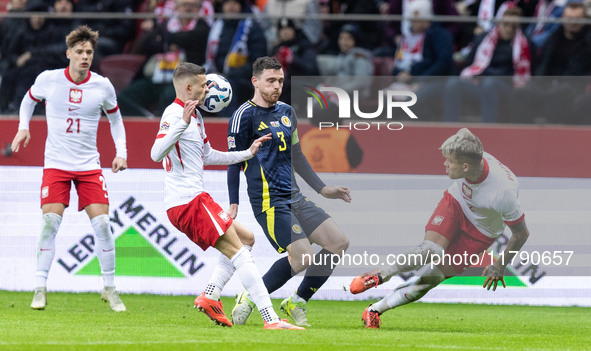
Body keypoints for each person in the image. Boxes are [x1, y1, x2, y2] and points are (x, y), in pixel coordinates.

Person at [150, 62, 303, 330]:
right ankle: (271, 319)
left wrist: (248, 152)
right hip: (188, 201)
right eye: (202, 84)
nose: (207, 88)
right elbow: (155, 153)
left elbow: (208, 155)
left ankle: (210, 295)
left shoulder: (194, 116)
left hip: (194, 199)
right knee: (240, 254)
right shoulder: (175, 114)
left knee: (247, 238)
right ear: (188, 88)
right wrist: (180, 124)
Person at [349, 128, 531, 329]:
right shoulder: (470, 150)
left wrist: (500, 265)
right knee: (431, 250)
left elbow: (521, 234)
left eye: (449, 161)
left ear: (465, 166)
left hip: (482, 232)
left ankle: (374, 310)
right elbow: (465, 131)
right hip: (456, 204)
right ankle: (378, 275)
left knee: (429, 280)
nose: (445, 164)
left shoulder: (503, 193)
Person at [10, 25, 128, 312]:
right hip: (57, 165)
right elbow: (28, 100)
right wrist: (23, 127)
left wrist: (121, 152)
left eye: (89, 52)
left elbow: (115, 119)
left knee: (102, 225)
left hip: (89, 166)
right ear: (68, 54)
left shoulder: (102, 85)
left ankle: (110, 288)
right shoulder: (49, 80)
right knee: (50, 223)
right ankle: (39, 288)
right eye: (79, 52)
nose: (85, 56)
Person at [227, 56, 351, 326]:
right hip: (269, 201)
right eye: (271, 81)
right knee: (303, 256)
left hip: (295, 196)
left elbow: (298, 155)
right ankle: (250, 298)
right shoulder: (243, 116)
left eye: (280, 81)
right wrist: (233, 203)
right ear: (255, 82)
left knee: (338, 242)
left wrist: (322, 188)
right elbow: (233, 161)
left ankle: (297, 301)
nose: (277, 86)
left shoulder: (287, 112)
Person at [443, 6, 532, 123]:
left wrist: (487, 74)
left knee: (490, 84)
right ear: (499, 23)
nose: (509, 29)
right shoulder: (483, 39)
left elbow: (516, 74)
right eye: (506, 24)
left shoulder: (523, 46)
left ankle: (487, 128)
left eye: (514, 26)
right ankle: (450, 127)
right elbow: (469, 64)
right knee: (453, 83)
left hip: (506, 87)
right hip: (478, 83)